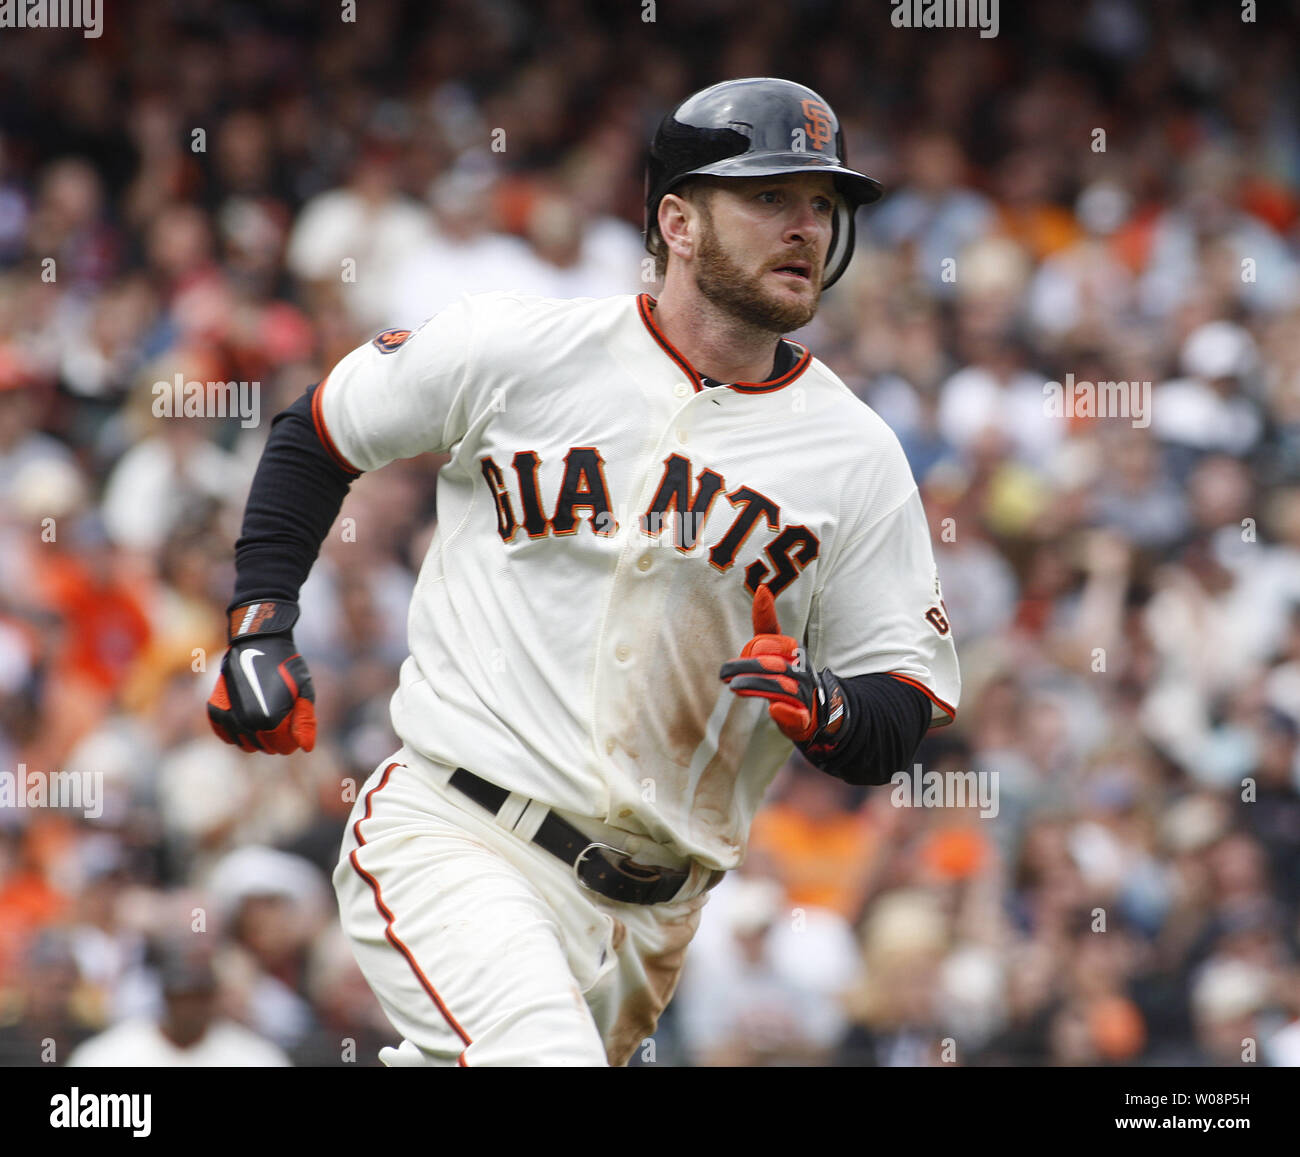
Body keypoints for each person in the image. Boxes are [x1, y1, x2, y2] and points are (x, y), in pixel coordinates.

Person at [206, 77, 960, 1067]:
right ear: (677, 222)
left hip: (649, 921)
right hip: (460, 831)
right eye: (769, 197)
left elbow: (901, 700)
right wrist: (260, 621)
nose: (805, 226)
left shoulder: (855, 454)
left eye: (821, 203)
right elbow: (319, 430)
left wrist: (833, 711)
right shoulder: (521, 349)